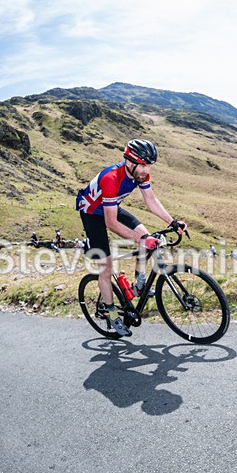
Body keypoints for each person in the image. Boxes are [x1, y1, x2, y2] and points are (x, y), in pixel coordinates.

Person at [75, 139, 187, 337]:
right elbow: (111, 223)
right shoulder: (111, 178)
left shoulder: (140, 174)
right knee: (106, 267)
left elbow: (150, 200)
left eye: (149, 165)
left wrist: (173, 222)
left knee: (149, 238)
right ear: (130, 162)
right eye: (143, 165)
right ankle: (110, 312)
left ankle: (139, 284)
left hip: (111, 206)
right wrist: (140, 239)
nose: (146, 170)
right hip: (92, 213)